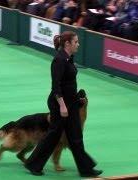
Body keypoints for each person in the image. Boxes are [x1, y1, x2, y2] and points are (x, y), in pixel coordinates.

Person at [24, 31, 103, 177]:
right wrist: (62, 105)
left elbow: (69, 84)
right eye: (76, 42)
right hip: (59, 104)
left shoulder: (68, 58)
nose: (78, 44)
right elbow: (56, 86)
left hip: (70, 103)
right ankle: (33, 164)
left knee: (75, 136)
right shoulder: (59, 60)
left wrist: (77, 101)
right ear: (67, 43)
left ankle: (86, 169)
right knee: (53, 135)